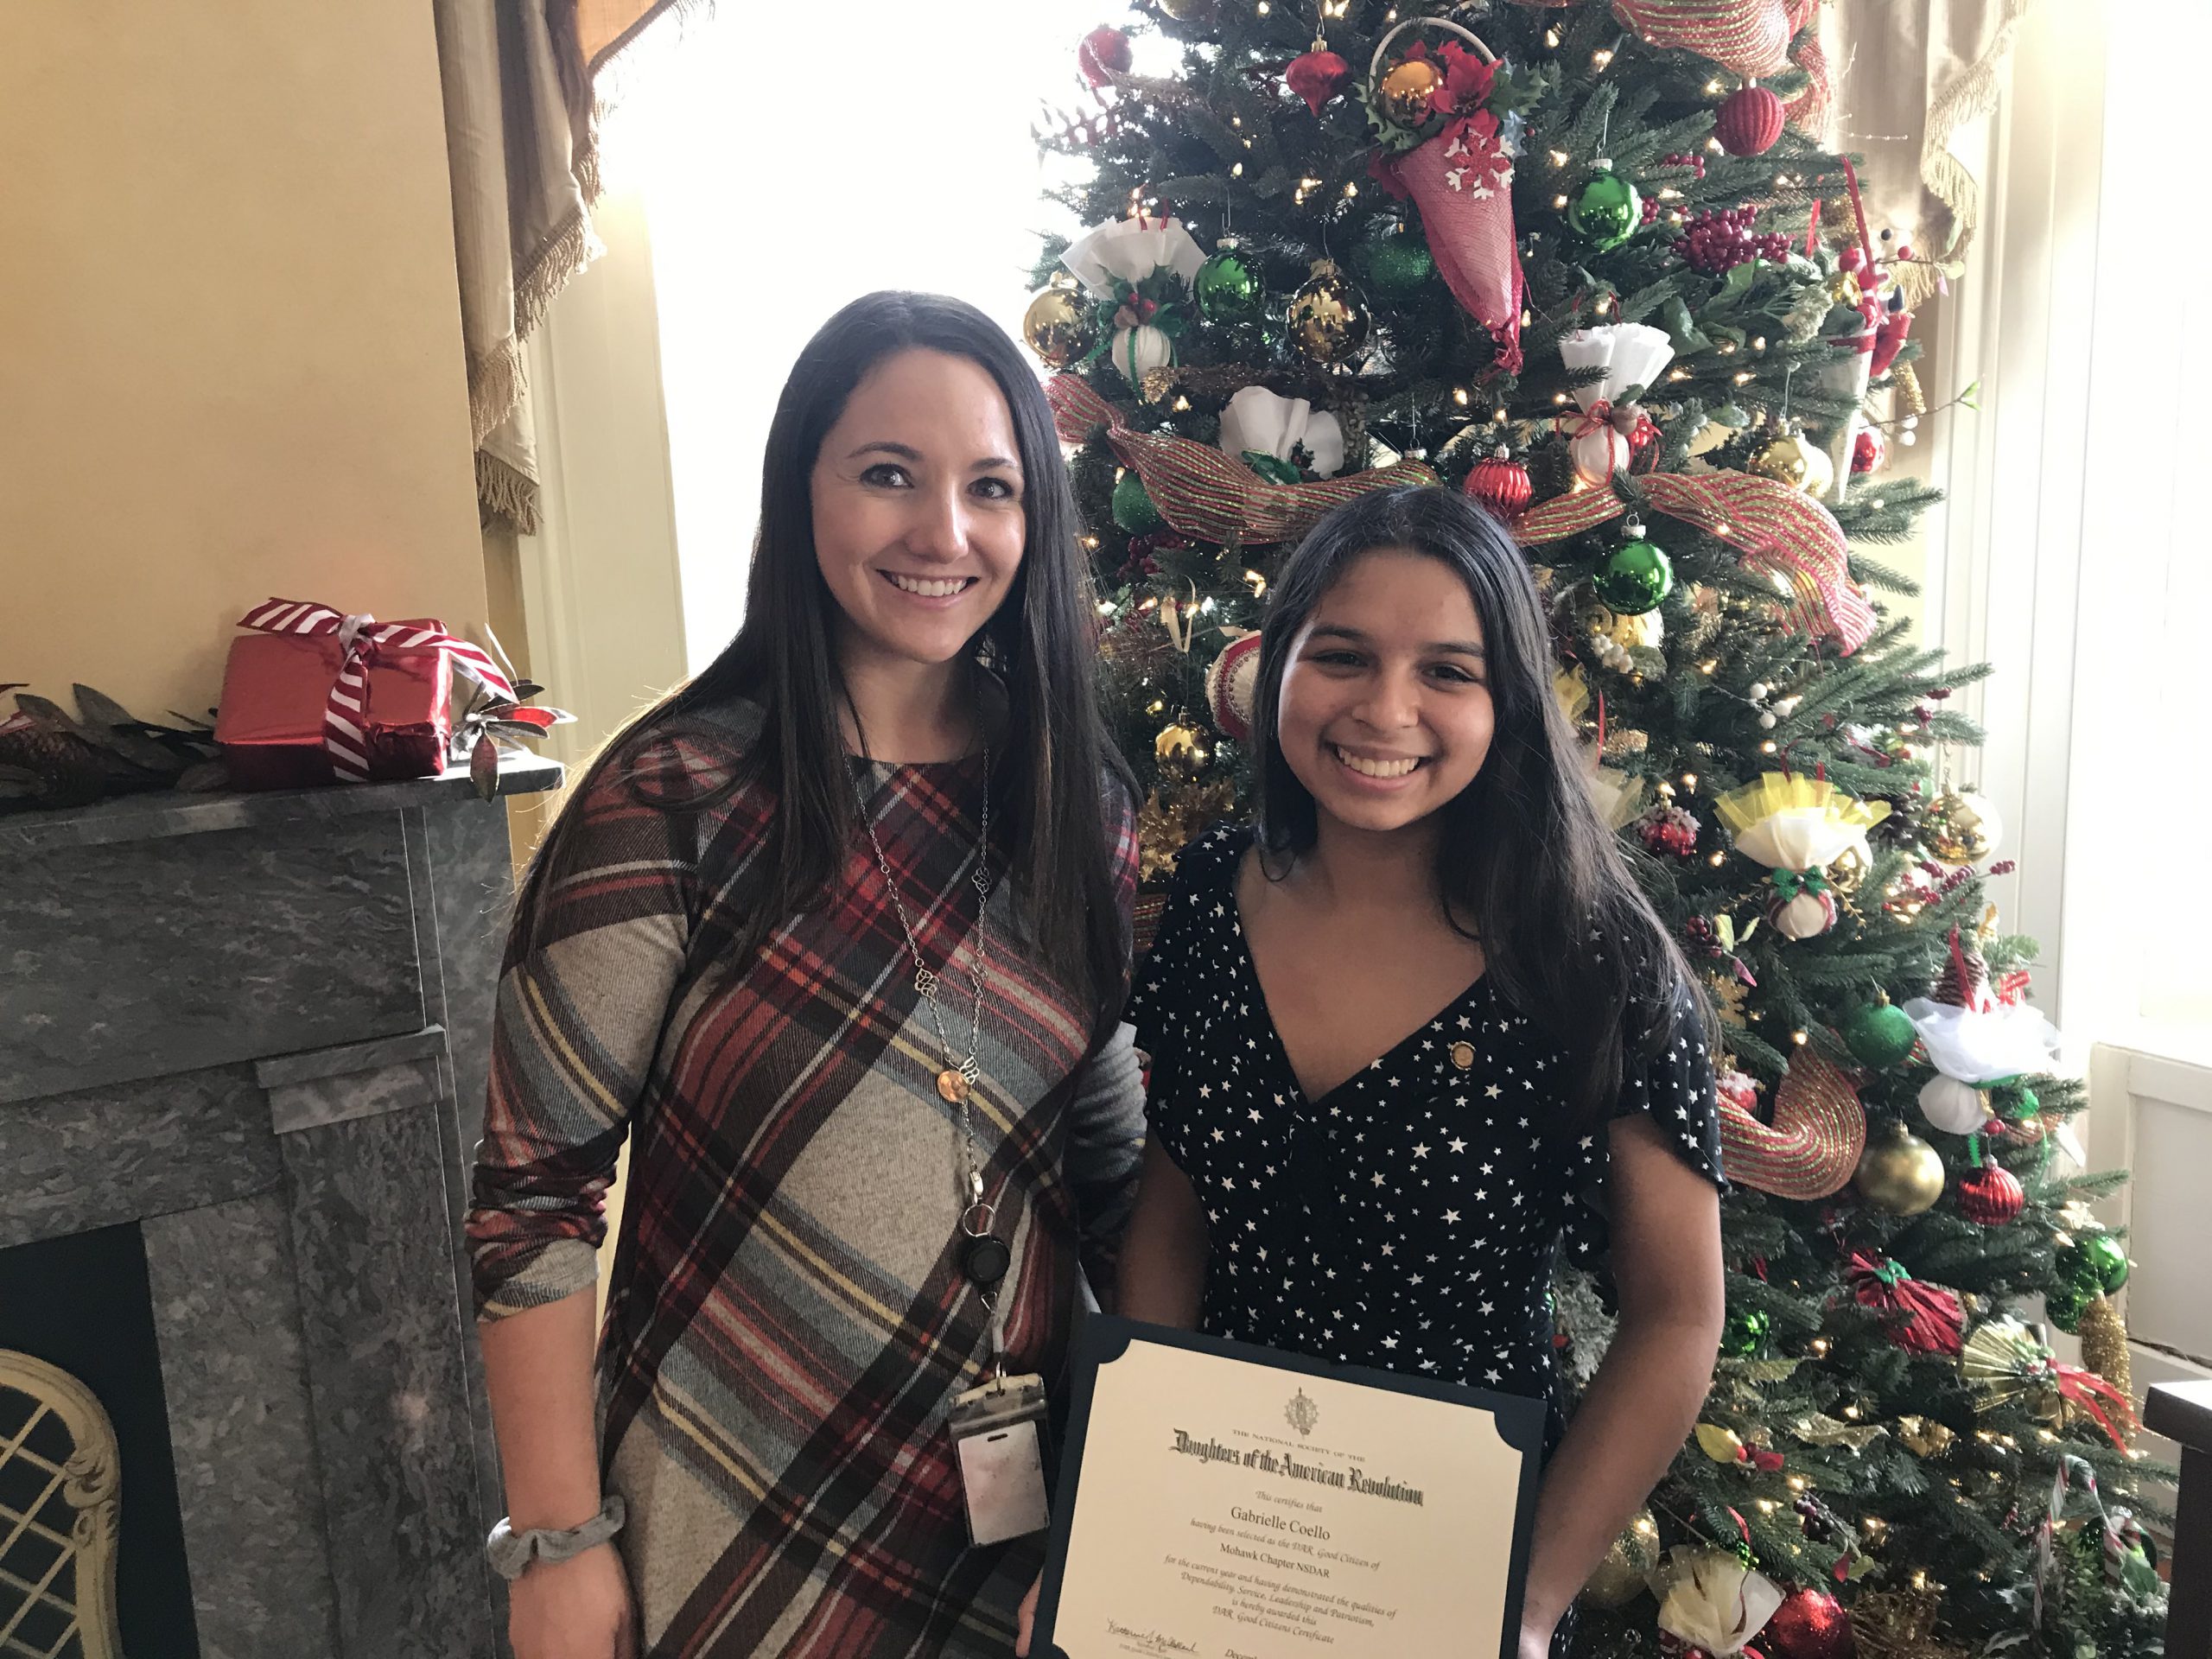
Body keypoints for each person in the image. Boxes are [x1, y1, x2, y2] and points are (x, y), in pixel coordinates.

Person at [467, 291, 1144, 1659]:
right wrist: (556, 1541)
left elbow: (1104, 1152)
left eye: (992, 488)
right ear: (803, 489)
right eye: (888, 474)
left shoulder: (1076, 801)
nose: (943, 535)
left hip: (1009, 1525)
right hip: (723, 1497)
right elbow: (530, 1195)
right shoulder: (672, 798)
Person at [1109, 486, 1726, 1659]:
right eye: (1342, 655)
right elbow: (1171, 1221)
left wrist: (1529, 1609)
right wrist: (1128, 1511)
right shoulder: (1207, 900)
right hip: (1218, 1533)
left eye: (1448, 670)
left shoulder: (1592, 958)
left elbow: (1678, 1314)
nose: (1386, 709)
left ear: (1508, 704)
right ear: (1277, 665)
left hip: (1455, 1561)